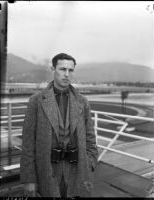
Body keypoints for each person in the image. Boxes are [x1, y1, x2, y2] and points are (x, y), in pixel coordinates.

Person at [20, 53, 98, 197]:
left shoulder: (82, 101)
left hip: (77, 169)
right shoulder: (36, 101)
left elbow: (90, 137)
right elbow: (28, 143)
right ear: (53, 68)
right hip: (47, 170)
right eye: (62, 69)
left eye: (71, 70)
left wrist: (89, 163)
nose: (67, 74)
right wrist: (29, 178)